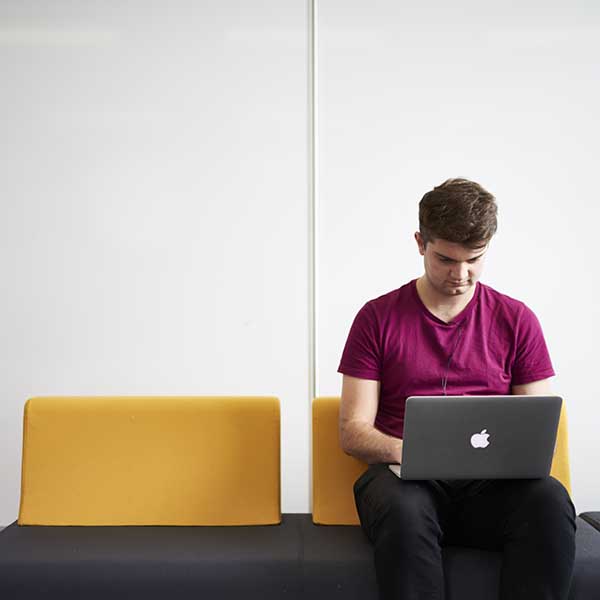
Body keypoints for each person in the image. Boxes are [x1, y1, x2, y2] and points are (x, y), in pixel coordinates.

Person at [337, 178, 577, 600]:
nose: (460, 275)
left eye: (474, 260)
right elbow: (353, 430)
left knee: (549, 501)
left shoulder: (517, 320)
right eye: (446, 259)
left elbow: (538, 428)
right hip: (404, 486)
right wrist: (410, 452)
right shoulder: (376, 318)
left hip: (490, 493)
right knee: (406, 511)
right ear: (420, 243)